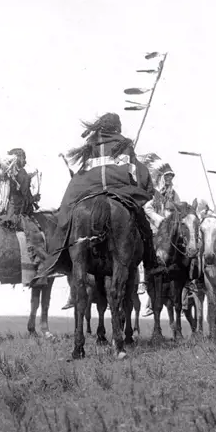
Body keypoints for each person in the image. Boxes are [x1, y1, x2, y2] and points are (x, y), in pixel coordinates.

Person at [30, 113, 159, 309]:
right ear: (117, 127)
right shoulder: (124, 144)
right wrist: (143, 187)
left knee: (68, 214)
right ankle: (151, 262)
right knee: (143, 223)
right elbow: (138, 174)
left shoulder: (91, 145)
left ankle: (62, 257)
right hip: (118, 191)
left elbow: (83, 174)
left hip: (89, 191)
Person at [0, 148, 48, 274]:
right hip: (17, 213)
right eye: (23, 157)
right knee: (35, 235)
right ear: (18, 159)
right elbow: (26, 198)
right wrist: (35, 198)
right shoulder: (22, 174)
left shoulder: (11, 175)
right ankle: (40, 267)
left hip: (7, 211)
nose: (25, 160)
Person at [142, 162, 181, 316]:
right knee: (146, 253)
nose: (169, 179)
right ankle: (143, 282)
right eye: (167, 176)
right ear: (162, 178)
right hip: (156, 230)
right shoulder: (156, 195)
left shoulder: (175, 194)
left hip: (169, 232)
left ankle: (190, 281)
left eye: (171, 176)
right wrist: (159, 220)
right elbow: (147, 208)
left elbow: (178, 209)